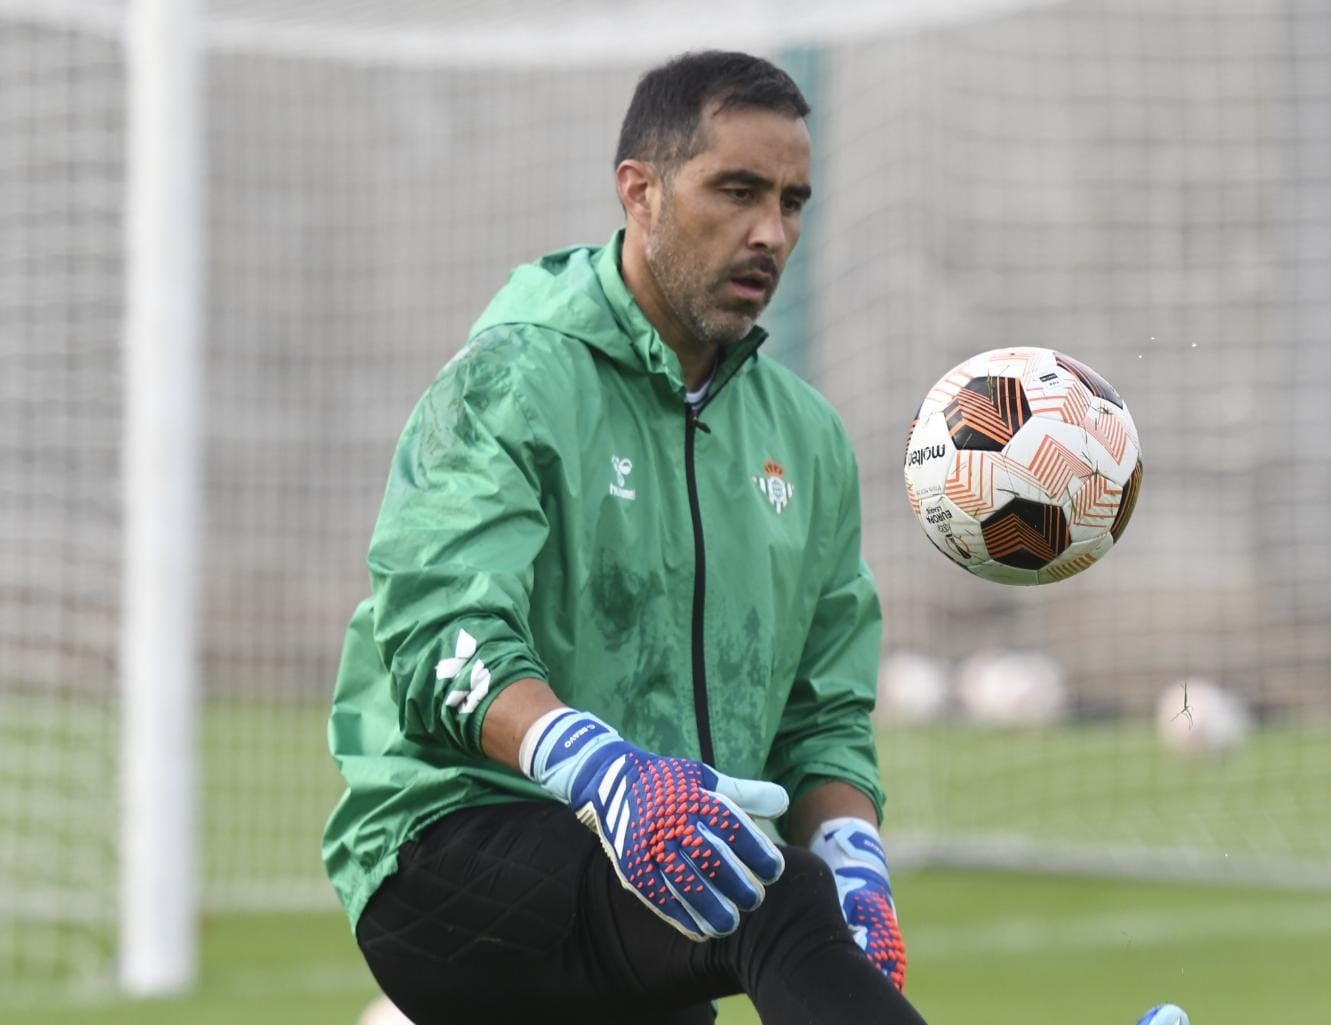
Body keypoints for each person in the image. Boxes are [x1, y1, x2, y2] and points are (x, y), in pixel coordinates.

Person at [322, 50, 923, 1025]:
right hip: (443, 852)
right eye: (736, 191)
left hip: (663, 869)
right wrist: (608, 771)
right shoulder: (514, 375)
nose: (770, 233)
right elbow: (441, 634)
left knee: (788, 886)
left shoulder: (803, 438)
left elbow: (822, 717)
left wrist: (856, 855)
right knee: (770, 892)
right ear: (638, 192)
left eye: (792, 201)